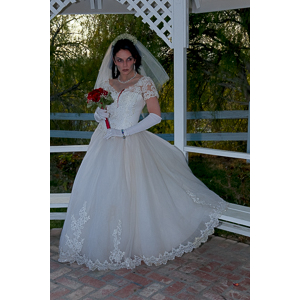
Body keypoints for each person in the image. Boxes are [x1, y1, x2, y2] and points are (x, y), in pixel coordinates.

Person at [58, 33, 228, 271]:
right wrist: (98, 115)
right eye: (119, 60)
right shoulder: (107, 84)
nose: (124, 65)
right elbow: (102, 110)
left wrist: (126, 132)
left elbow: (156, 116)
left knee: (133, 193)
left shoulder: (144, 83)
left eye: (128, 60)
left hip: (132, 141)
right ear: (114, 62)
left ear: (136, 59)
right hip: (105, 141)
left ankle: (135, 244)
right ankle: (104, 245)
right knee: (102, 193)